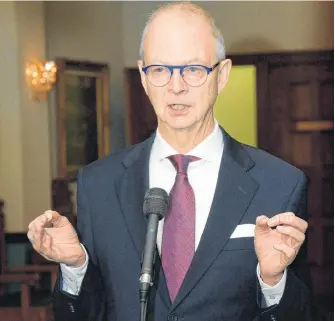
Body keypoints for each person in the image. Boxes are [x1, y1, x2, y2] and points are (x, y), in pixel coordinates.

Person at [28, 2, 317, 321]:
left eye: (193, 69)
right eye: (160, 70)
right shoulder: (98, 184)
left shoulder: (278, 184)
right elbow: (84, 315)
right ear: (143, 77)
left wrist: (274, 282)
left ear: (221, 76)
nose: (176, 87)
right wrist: (75, 266)